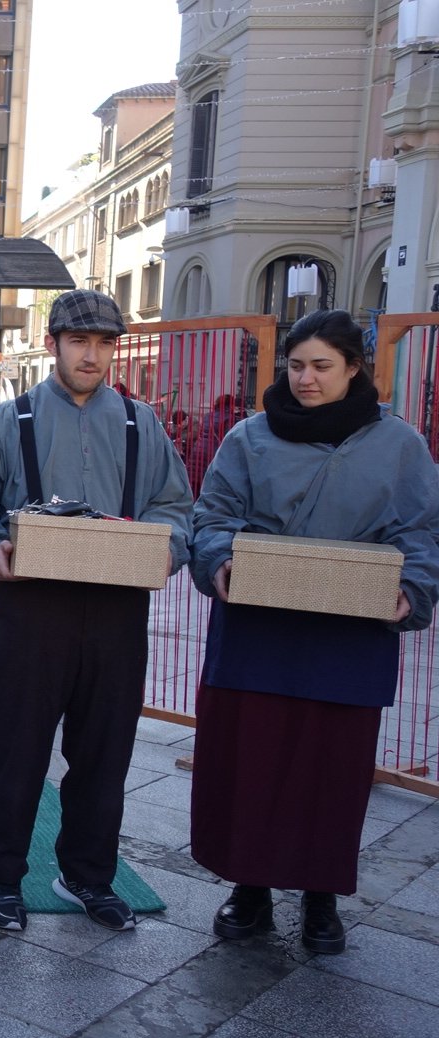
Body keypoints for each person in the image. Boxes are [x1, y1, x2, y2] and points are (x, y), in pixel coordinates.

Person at [187, 309, 439, 955]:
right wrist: (218, 561)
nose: (306, 379)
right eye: (296, 365)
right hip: (257, 636)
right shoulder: (247, 438)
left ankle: (322, 897)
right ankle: (250, 889)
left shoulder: (401, 445)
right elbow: (212, 517)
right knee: (254, 762)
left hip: (348, 640)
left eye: (322, 366)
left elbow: (422, 536)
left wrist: (409, 590)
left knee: (331, 770)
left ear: (355, 368)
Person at [0, 288, 192, 933]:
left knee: (105, 754)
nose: (92, 355)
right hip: (32, 608)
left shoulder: (143, 424)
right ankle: (0, 876)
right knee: (15, 749)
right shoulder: (9, 421)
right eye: (79, 341)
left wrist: (168, 550)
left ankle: (87, 876)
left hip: (116, 613)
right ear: (52, 344)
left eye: (105, 343)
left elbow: (174, 507)